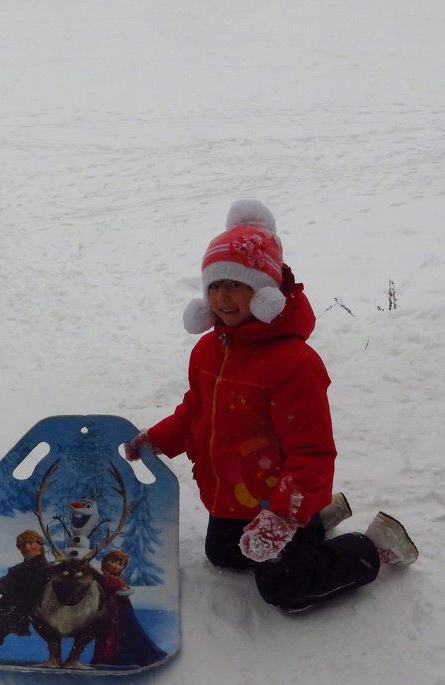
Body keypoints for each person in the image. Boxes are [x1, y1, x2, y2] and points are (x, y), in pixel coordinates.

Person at [124, 200, 418, 613]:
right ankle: (318, 519)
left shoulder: (293, 363)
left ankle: (373, 546)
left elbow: (311, 451)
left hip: (278, 499)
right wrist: (157, 439)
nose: (223, 298)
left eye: (236, 285)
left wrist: (283, 517)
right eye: (214, 286)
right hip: (233, 492)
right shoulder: (209, 349)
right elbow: (195, 409)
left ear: (264, 292)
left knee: (285, 590)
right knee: (225, 555)